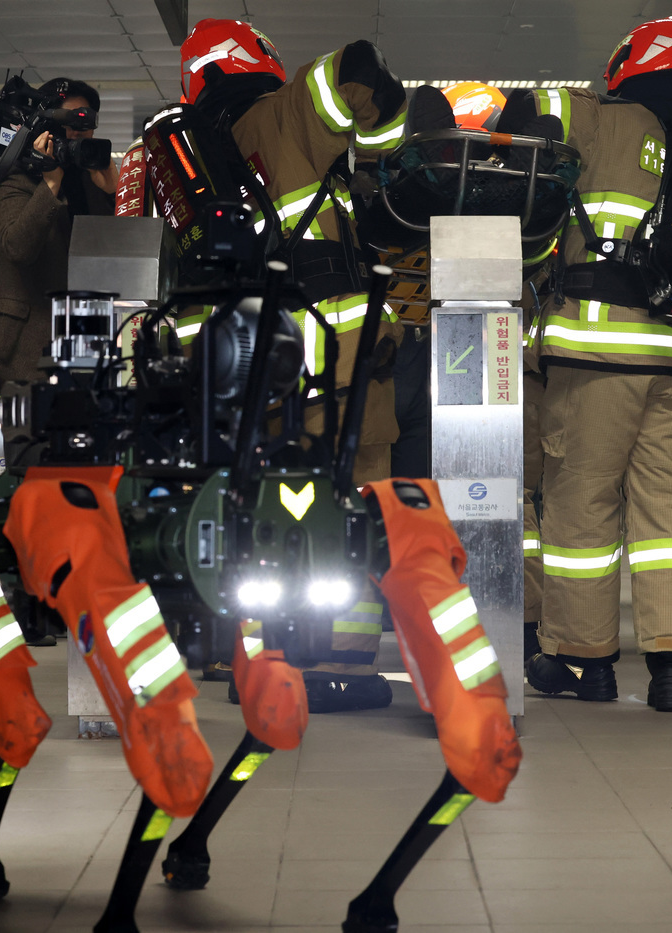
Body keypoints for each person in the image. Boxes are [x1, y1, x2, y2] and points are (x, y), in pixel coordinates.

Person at [177, 19, 413, 711]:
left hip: (262, 367)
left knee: (264, 513)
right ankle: (343, 658)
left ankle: (259, 650)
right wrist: (373, 140)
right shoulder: (285, 113)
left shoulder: (201, 158)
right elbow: (359, 69)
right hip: (342, 360)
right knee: (359, 509)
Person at [523, 16, 672, 711]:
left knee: (582, 510)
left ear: (628, 64)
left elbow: (524, 119)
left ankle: (586, 664)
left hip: (596, 352)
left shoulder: (592, 116)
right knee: (670, 514)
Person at [0, 77, 117, 388]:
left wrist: (112, 193)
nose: (78, 130)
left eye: (86, 121)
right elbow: (18, 248)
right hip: (25, 351)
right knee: (29, 437)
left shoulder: (93, 178)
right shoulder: (15, 179)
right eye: (69, 121)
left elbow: (116, 256)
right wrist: (51, 184)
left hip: (88, 345)